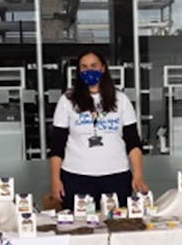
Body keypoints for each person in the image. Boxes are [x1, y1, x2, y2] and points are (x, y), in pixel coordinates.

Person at [49, 50, 149, 210]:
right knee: (78, 227)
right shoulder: (67, 101)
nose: (89, 70)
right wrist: (55, 180)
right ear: (79, 71)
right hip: (76, 177)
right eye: (84, 67)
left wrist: (138, 175)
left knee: (117, 225)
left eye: (94, 66)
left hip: (116, 176)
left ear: (103, 68)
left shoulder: (121, 100)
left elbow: (133, 142)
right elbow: (57, 146)